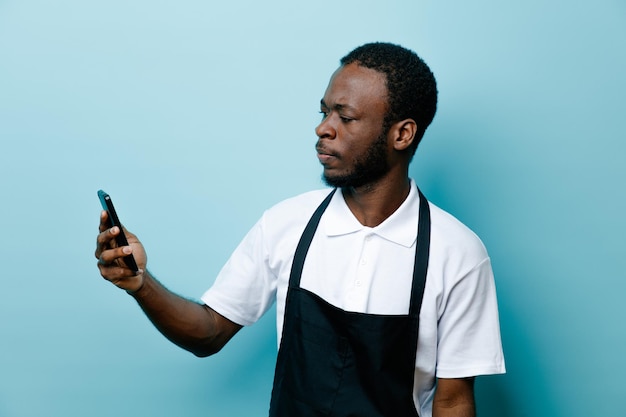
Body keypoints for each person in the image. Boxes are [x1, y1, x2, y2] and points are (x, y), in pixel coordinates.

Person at [95, 42, 505, 417]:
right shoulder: (287, 224)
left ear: (402, 134)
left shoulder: (458, 254)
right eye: (324, 112)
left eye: (345, 117)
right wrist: (140, 283)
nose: (324, 128)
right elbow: (209, 331)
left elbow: (452, 400)